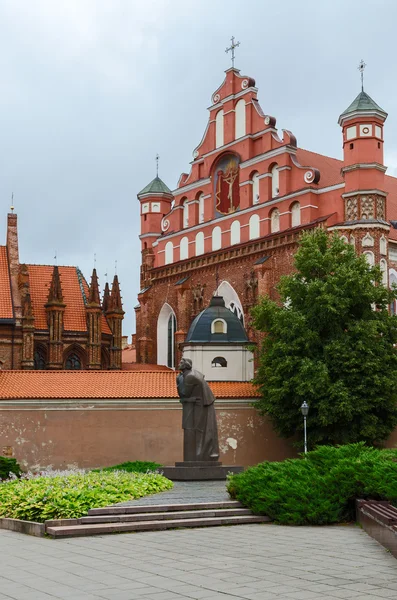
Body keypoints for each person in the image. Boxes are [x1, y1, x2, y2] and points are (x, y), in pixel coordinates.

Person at [176, 358, 219, 462]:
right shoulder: (184, 375)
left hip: (202, 405)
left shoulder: (190, 376)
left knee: (199, 430)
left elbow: (184, 393)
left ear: (186, 365)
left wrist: (179, 383)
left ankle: (200, 456)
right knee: (195, 429)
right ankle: (196, 456)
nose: (179, 364)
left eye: (181, 363)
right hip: (196, 404)